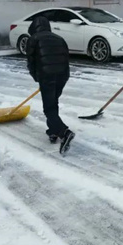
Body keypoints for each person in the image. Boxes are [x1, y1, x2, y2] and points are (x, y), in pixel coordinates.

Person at [26, 16, 74, 154]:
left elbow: (31, 62)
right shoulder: (59, 38)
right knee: (53, 103)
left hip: (47, 77)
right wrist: (65, 76)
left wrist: (37, 77)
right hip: (62, 76)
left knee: (49, 108)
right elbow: (66, 59)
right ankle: (53, 131)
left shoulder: (33, 39)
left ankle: (64, 132)